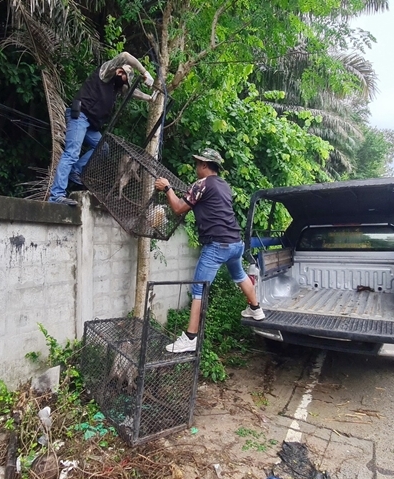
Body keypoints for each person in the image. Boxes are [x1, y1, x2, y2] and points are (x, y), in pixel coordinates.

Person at [154, 148, 265, 353]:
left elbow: (178, 208)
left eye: (198, 163)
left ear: (204, 165)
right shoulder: (224, 185)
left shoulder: (201, 184)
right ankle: (256, 309)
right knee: (240, 275)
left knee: (198, 289)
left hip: (217, 245)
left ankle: (190, 338)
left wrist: (167, 188)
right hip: (235, 243)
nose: (196, 167)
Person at [49, 52, 156, 205]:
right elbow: (125, 55)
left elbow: (132, 92)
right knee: (72, 153)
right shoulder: (105, 73)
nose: (125, 84)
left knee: (103, 148)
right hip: (80, 116)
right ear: (120, 72)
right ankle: (56, 195)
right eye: (125, 79)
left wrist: (149, 98)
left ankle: (75, 171)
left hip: (91, 124)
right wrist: (145, 73)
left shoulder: (116, 87)